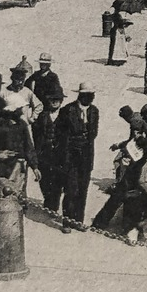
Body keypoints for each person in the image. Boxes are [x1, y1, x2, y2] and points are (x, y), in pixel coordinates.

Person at [53, 84, 100, 232]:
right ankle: (67, 221)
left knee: (83, 189)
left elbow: (94, 133)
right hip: (70, 157)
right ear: (81, 95)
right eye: (88, 94)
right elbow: (57, 132)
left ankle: (78, 220)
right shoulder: (68, 110)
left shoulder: (94, 111)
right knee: (71, 189)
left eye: (92, 94)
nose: (91, 97)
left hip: (86, 157)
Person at [34, 93, 65, 214]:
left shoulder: (65, 115)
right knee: (44, 179)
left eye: (57, 100)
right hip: (44, 152)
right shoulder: (42, 116)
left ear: (61, 101)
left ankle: (54, 206)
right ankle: (48, 200)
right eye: (52, 99)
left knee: (57, 180)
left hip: (59, 153)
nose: (54, 102)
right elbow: (36, 134)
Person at [107, 0, 132, 65]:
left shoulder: (115, 15)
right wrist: (125, 22)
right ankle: (116, 59)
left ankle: (111, 58)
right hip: (118, 31)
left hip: (114, 30)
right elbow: (120, 24)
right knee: (118, 45)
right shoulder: (117, 15)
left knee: (113, 45)